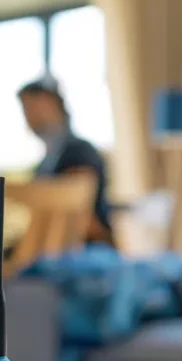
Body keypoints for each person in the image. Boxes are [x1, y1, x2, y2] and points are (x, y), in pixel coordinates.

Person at [18, 78, 113, 244]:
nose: (29, 116)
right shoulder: (44, 164)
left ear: (54, 103)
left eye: (33, 106)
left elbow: (82, 217)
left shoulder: (80, 152)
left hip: (84, 250)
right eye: (25, 109)